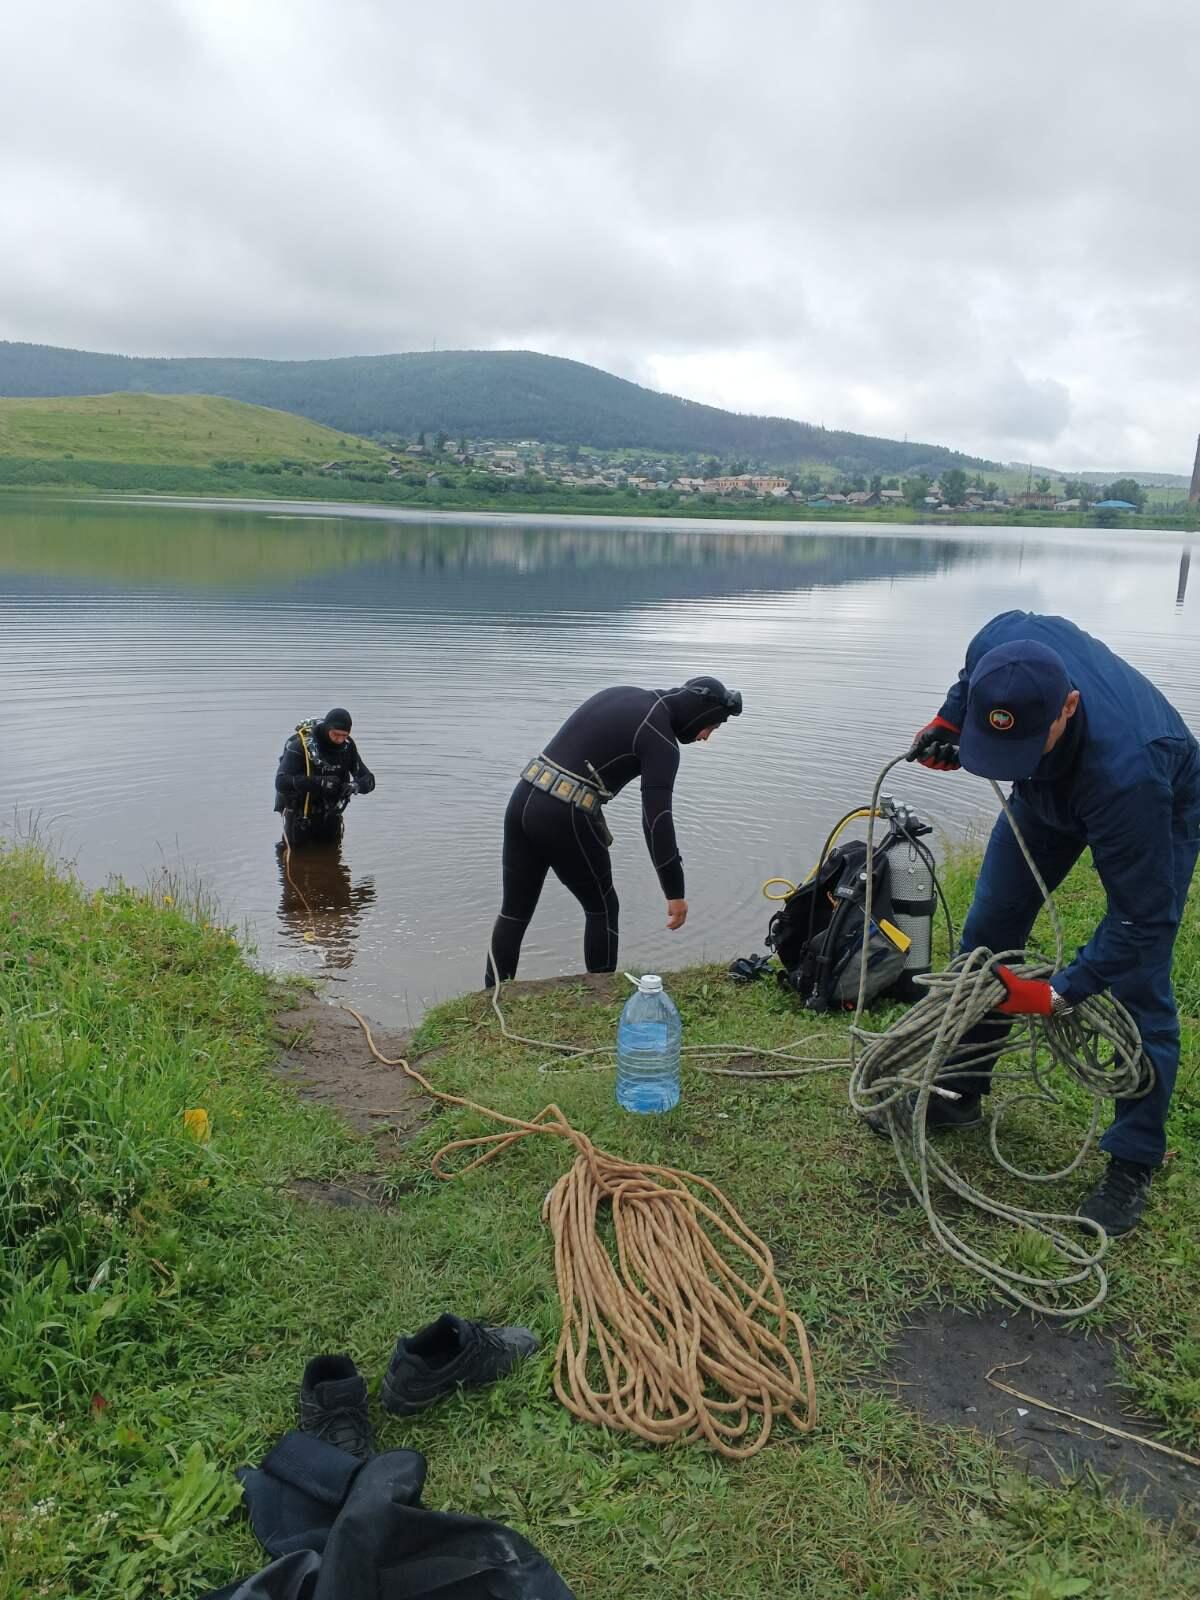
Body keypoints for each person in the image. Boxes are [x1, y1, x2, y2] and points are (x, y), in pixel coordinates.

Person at [906, 611, 1200, 1235]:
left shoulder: (1131, 775)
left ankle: (1133, 1158)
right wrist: (950, 718)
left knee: (1140, 982)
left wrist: (1058, 993)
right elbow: (971, 677)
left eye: (1020, 745)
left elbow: (1140, 919)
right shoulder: (1000, 640)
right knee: (987, 939)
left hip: (1151, 799)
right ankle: (960, 1091)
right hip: (1046, 792)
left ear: (1067, 707)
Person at [486, 676, 743, 985]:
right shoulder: (660, 740)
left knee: (514, 912)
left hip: (523, 796)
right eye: (711, 727)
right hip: (564, 811)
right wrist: (675, 893)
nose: (705, 737)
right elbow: (657, 821)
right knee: (603, 908)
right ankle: (600, 997)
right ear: (700, 714)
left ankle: (492, 998)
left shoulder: (621, 693)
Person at [274, 708, 376, 849]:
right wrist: (320, 782)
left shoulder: (347, 747)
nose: (340, 740)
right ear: (327, 728)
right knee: (294, 859)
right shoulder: (300, 746)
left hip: (331, 814)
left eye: (344, 735)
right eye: (336, 735)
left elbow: (369, 780)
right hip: (301, 816)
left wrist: (354, 786)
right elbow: (281, 782)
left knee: (332, 856)